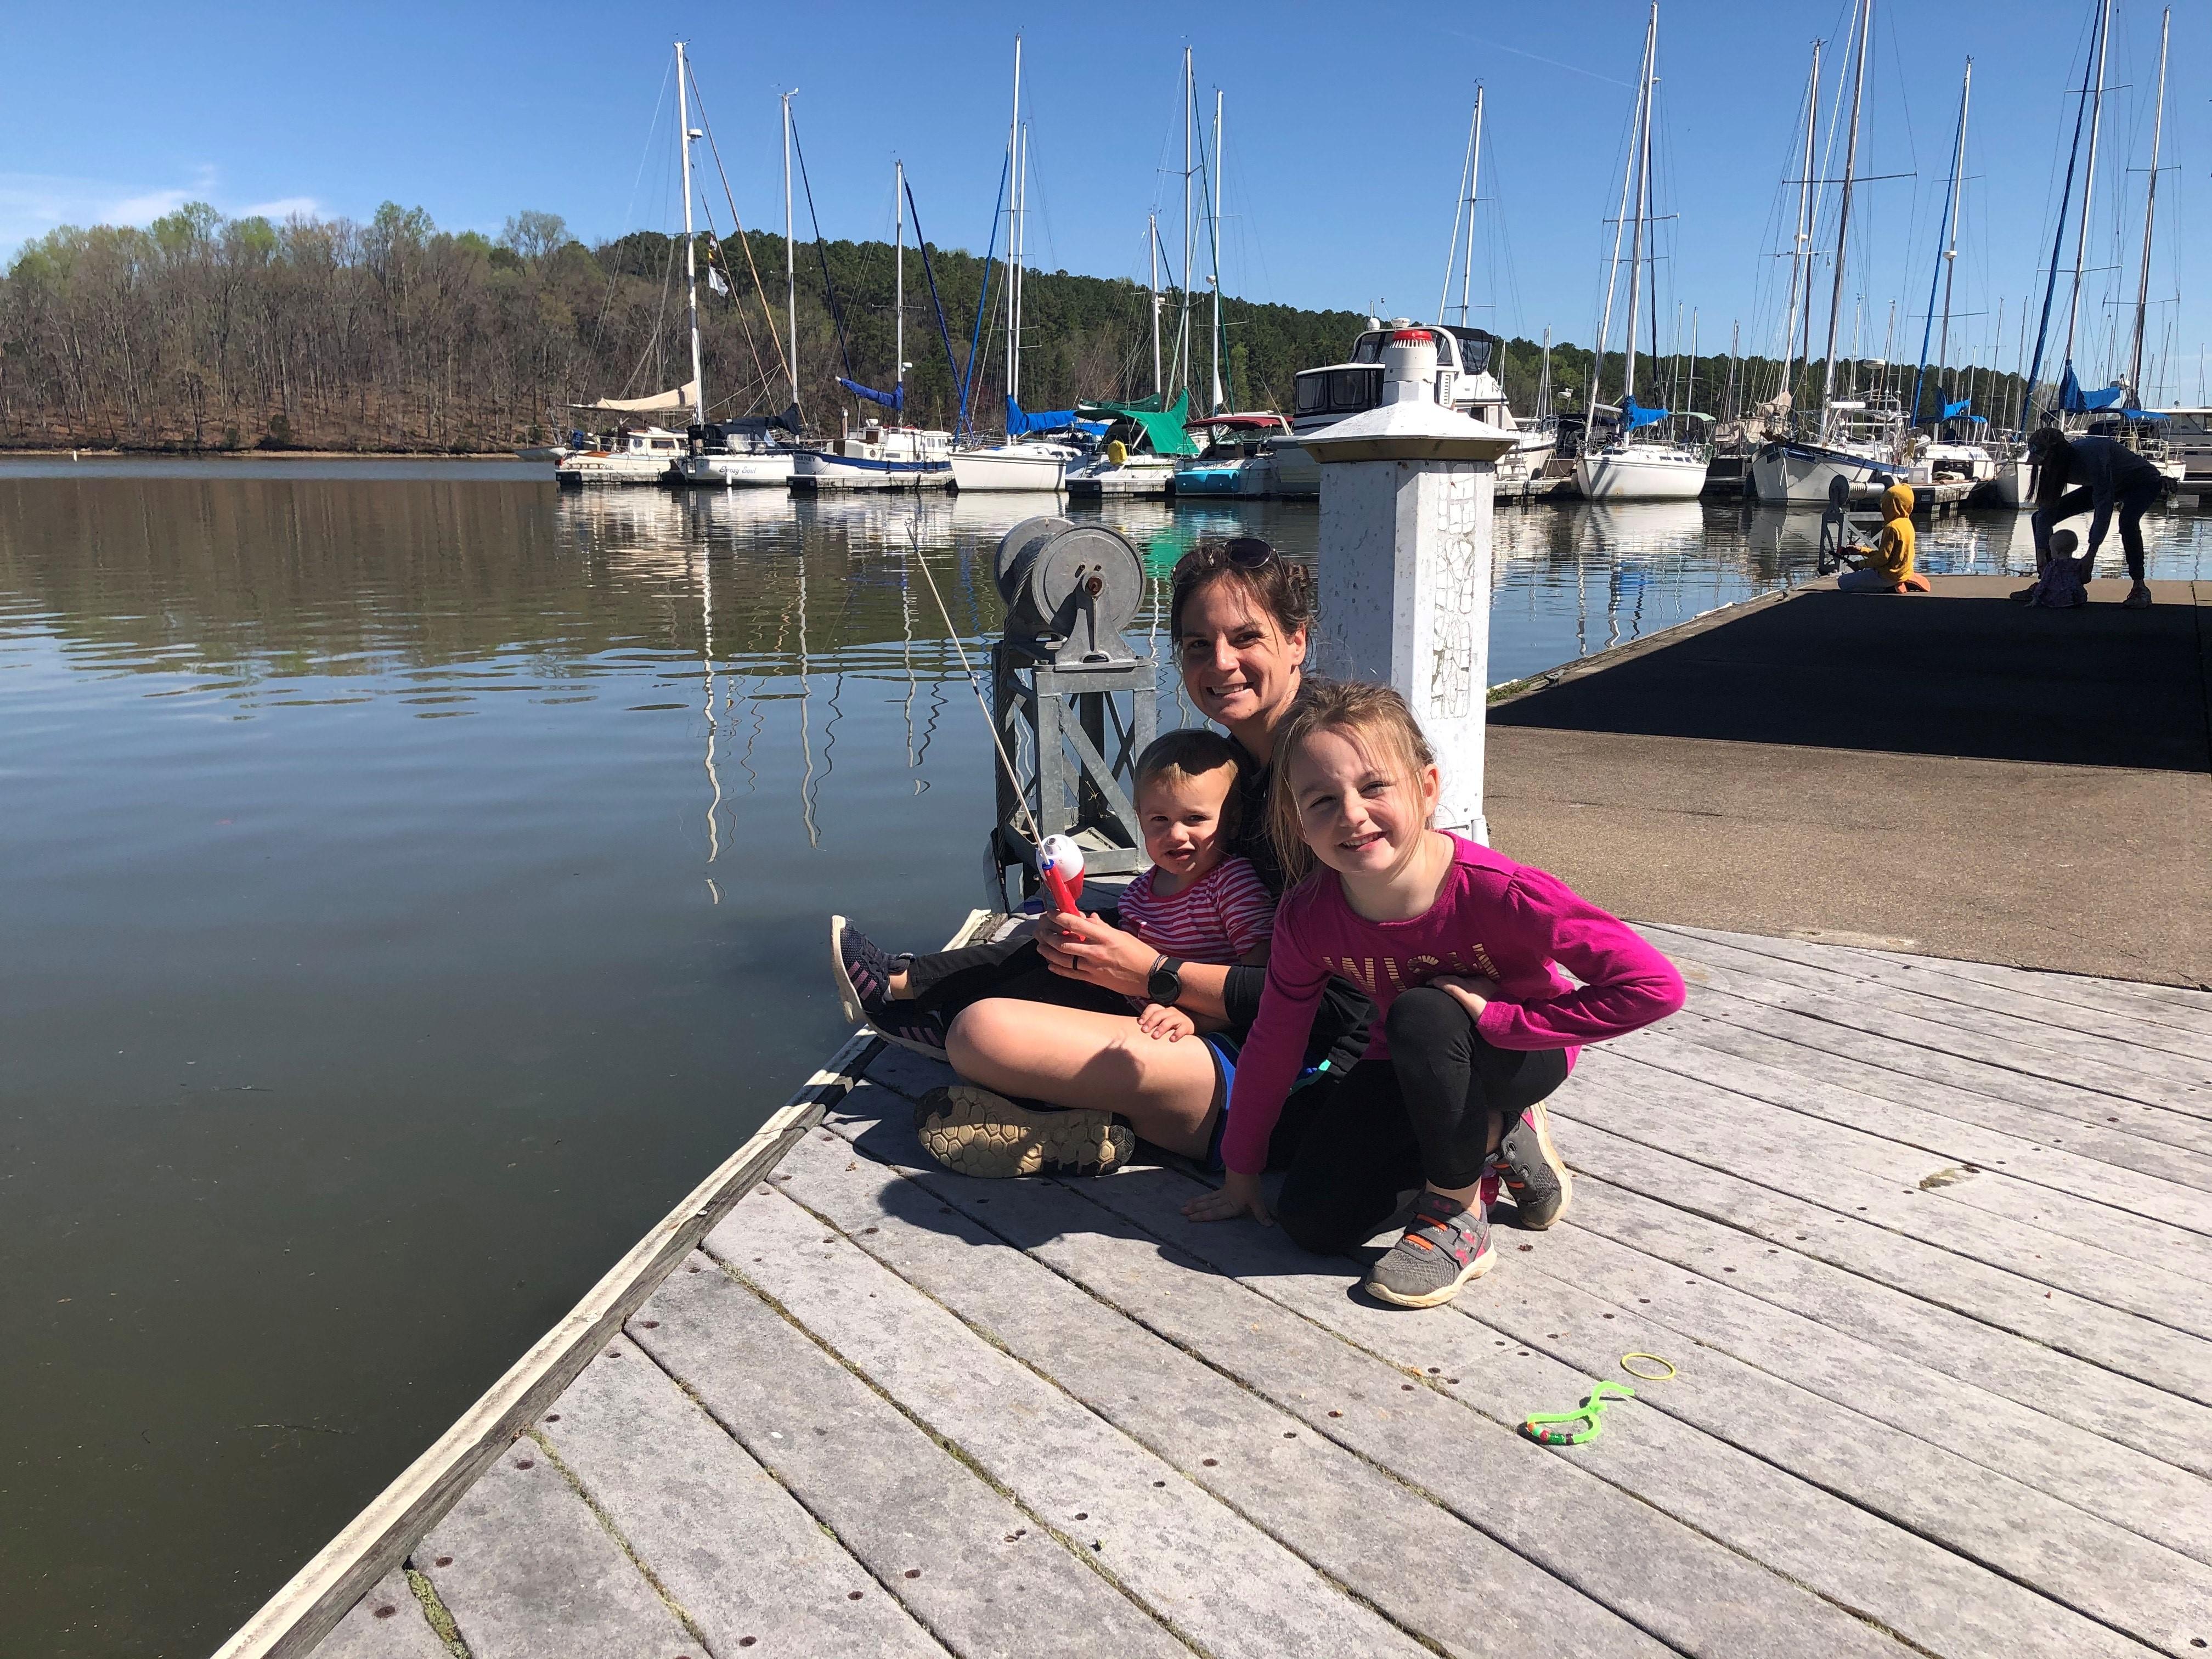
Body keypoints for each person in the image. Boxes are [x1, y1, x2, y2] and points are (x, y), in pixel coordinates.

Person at [827, 537, 1373, 1174]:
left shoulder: (1322, 779)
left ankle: (1046, 1091)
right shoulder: (1247, 765)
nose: (1221, 662)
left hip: (1300, 1076)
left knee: (983, 1034)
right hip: (1216, 1022)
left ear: (1297, 642)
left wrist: (1153, 974)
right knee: (1069, 943)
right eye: (1199, 645)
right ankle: (949, 1018)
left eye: (1245, 637)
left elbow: (1339, 1003)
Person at [1183, 680, 1685, 1310]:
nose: (1352, 815)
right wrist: (1242, 1168)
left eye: (1374, 787)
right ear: (1297, 823)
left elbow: (1654, 987)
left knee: (1424, 1012)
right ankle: (1493, 1137)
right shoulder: (1307, 917)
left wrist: (1505, 1020)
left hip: (1518, 1054)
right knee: (1311, 1224)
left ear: (1425, 789)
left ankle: (1456, 1216)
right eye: (1321, 800)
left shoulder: (1503, 893)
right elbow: (1275, 1042)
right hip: (1411, 1064)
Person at [834, 727, 1278, 1173]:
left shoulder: (1232, 884)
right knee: (1041, 952)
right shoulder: (1143, 889)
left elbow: (1254, 978)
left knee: (1000, 1014)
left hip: (1191, 1027)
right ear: (1140, 819)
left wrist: (1197, 1017)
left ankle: (910, 990)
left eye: (1196, 819)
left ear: (1232, 822)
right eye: (1159, 821)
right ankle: (924, 1000)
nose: (1176, 835)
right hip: (1134, 1005)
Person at [2027, 427, 2162, 608]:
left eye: (2046, 461)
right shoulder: (2054, 465)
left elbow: (2103, 509)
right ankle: (2050, 582)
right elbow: (2046, 510)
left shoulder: (2092, 457)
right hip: (2109, 482)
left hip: (2141, 481)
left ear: (2059, 453)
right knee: (2038, 518)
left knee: (2128, 522)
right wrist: (2041, 552)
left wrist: (2090, 556)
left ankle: (2140, 587)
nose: (2045, 466)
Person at [1837, 482, 1931, 593]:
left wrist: (1858, 565)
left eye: (1886, 503)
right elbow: (1889, 556)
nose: (1883, 507)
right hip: (1902, 572)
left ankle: (1887, 588)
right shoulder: (1907, 523)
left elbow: (1883, 559)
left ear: (1892, 504)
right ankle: (1901, 581)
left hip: (1888, 576)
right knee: (1868, 569)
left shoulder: (1892, 527)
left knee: (1843, 582)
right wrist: (1862, 551)